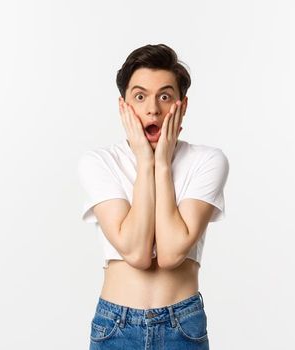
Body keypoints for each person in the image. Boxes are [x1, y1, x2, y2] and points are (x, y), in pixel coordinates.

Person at [78, 43, 230, 349]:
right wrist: (144, 162)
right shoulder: (99, 163)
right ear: (124, 106)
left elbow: (172, 253)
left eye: (165, 96)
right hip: (115, 327)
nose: (152, 109)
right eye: (139, 96)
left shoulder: (208, 161)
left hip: (182, 327)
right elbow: (136, 252)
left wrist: (162, 164)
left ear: (182, 105)